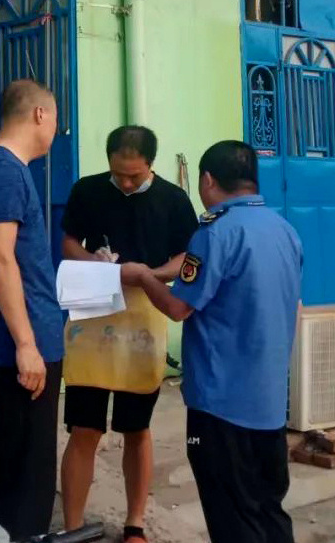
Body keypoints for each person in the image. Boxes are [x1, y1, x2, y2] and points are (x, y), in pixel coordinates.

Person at [121, 140, 303, 543]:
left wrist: (144, 276)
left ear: (207, 180)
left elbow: (179, 308)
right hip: (271, 404)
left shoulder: (214, 234)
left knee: (232, 518)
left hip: (221, 407)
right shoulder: (286, 232)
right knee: (268, 510)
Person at [60, 126, 199, 542]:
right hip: (93, 315)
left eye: (133, 176)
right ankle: (73, 526)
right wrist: (96, 265)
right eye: (117, 173)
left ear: (150, 165)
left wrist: (146, 275)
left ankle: (135, 523)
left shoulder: (173, 199)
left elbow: (185, 258)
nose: (124, 182)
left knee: (136, 428)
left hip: (144, 317)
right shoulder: (87, 190)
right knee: (84, 428)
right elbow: (69, 242)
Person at [0, 79, 63, 541]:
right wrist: (26, 344)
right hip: (16, 356)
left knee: (16, 476)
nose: (56, 130)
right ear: (40, 114)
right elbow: (0, 260)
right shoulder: (3, 170)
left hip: (16, 350)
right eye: (55, 119)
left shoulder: (1, 167)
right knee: (26, 486)